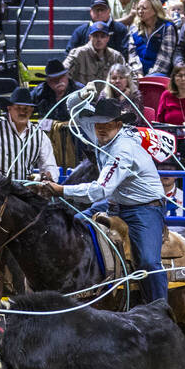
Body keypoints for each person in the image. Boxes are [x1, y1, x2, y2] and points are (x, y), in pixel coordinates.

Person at [42, 98, 170, 311]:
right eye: (98, 124)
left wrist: (61, 190)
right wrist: (84, 94)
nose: (101, 129)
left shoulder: (123, 149)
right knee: (72, 227)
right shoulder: (100, 133)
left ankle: (161, 310)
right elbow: (74, 108)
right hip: (114, 204)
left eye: (107, 124)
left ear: (118, 125)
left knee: (148, 262)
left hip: (145, 208)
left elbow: (100, 190)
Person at [0, 85, 58, 180]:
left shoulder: (39, 135)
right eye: (18, 108)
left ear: (31, 110)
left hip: (24, 189)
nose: (22, 112)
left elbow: (50, 166)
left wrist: (44, 176)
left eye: (26, 109)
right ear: (9, 109)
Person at [65, 21, 135, 84]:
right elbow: (64, 75)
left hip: (107, 97)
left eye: (102, 36)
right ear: (90, 37)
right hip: (83, 97)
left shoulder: (116, 56)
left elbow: (132, 77)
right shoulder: (78, 54)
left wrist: (127, 91)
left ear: (108, 38)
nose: (99, 40)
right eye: (95, 36)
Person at [126, 0, 177, 76]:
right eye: (138, 8)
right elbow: (132, 54)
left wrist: (149, 76)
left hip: (159, 72)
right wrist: (138, 73)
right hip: (137, 72)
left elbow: (165, 58)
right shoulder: (134, 28)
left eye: (144, 8)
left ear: (155, 10)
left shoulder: (167, 27)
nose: (140, 11)